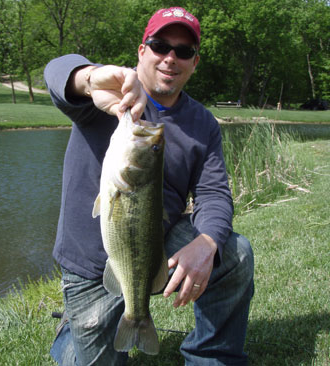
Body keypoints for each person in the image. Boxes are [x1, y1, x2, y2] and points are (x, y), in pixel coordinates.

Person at [44, 6, 254, 366]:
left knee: (234, 254)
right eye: (160, 46)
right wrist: (91, 78)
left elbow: (214, 193)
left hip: (157, 250)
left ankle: (211, 357)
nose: (171, 58)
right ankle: (73, 330)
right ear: (142, 51)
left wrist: (206, 243)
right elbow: (57, 72)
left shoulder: (202, 123)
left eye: (183, 51)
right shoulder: (109, 99)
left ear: (194, 62)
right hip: (90, 267)